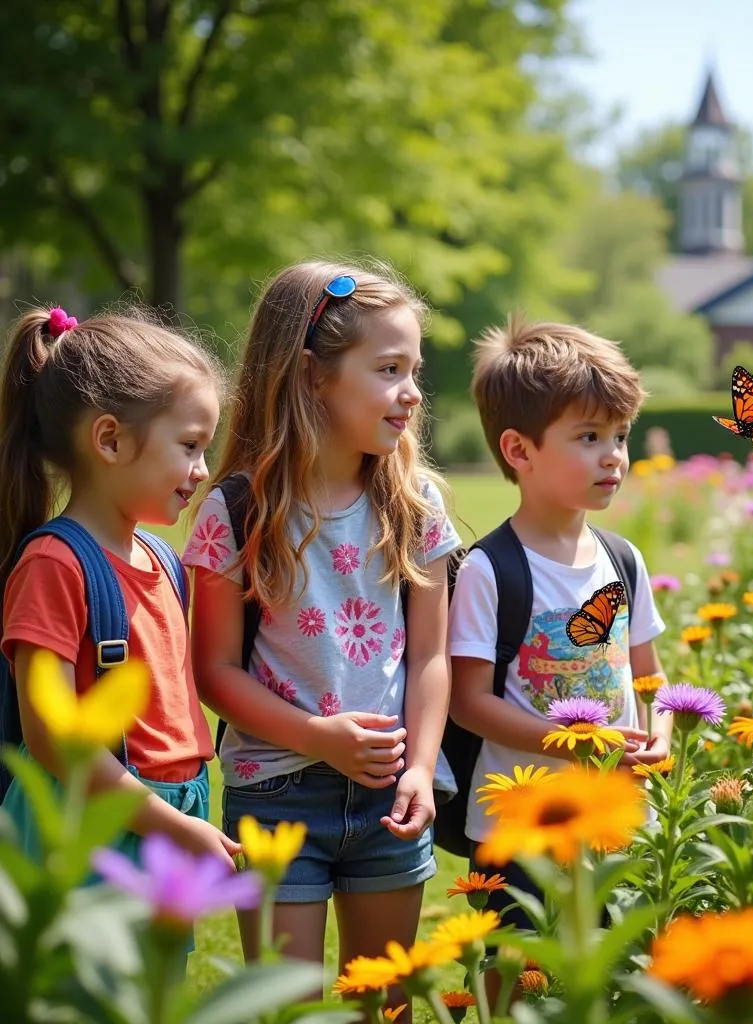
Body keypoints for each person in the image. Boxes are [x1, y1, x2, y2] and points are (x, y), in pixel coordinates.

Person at [185, 261, 459, 1018]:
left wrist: (423, 764)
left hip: (389, 795)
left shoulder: (413, 503)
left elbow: (432, 654)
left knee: (390, 1005)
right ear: (312, 376)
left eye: (415, 370)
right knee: (290, 1007)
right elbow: (212, 671)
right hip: (274, 799)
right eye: (388, 369)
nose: (411, 391)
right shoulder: (236, 512)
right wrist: (318, 736)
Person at [447, 317, 673, 1000]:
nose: (613, 456)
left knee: (612, 977)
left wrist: (660, 730)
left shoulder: (621, 559)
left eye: (619, 436)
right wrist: (575, 744)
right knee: (517, 978)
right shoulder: (492, 568)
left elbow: (649, 676)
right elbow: (469, 702)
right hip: (519, 827)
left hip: (613, 817)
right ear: (519, 450)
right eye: (588, 437)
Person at [0, 305, 234, 871]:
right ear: (109, 439)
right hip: (86, 826)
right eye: (189, 446)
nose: (203, 469)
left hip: (167, 813)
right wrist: (170, 824)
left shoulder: (164, 561)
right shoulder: (55, 564)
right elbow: (53, 739)